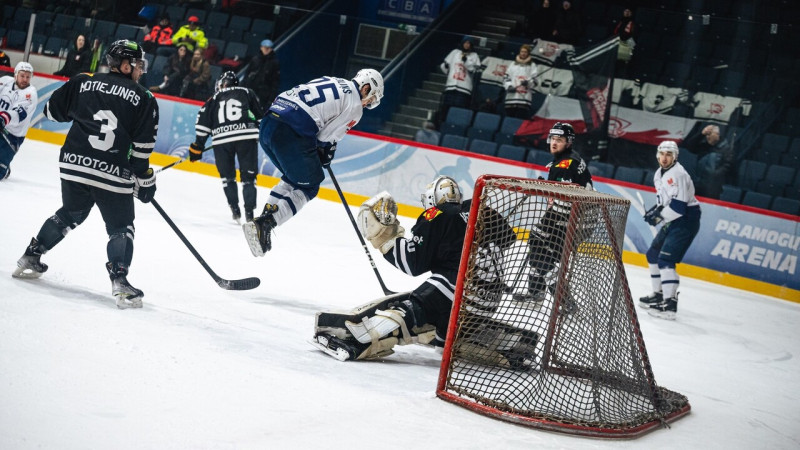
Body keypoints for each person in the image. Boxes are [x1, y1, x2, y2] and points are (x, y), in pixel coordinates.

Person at [12, 40, 159, 310]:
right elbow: (141, 153)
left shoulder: (83, 80)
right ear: (125, 66)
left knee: (71, 213)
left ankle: (31, 255)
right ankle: (120, 281)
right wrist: (145, 180)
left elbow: (52, 112)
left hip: (73, 164)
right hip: (112, 172)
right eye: (137, 65)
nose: (140, 70)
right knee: (121, 227)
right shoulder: (145, 98)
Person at [311, 176, 520, 362]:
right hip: (489, 300)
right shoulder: (483, 212)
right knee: (438, 311)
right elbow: (508, 238)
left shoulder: (435, 214)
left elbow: (413, 264)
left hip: (455, 287)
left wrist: (384, 237)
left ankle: (361, 342)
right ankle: (475, 340)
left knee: (410, 308)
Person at [242, 69, 385, 256]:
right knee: (311, 184)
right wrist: (326, 153)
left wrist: (321, 150)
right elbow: (325, 137)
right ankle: (265, 223)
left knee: (295, 177)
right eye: (371, 99)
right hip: (290, 132)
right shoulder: (355, 106)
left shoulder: (334, 80)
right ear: (366, 88)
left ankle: (263, 220)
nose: (367, 104)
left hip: (269, 125)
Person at [513, 122, 593, 307]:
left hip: (573, 219)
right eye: (553, 139)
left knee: (537, 242)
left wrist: (544, 193)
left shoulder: (564, 165)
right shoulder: (570, 159)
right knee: (543, 251)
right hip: (578, 218)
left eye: (560, 140)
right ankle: (536, 292)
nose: (554, 143)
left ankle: (563, 301)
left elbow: (565, 200)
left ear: (569, 142)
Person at [639, 141, 701, 320]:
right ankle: (658, 294)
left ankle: (670, 304)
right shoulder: (659, 173)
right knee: (652, 255)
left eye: (669, 154)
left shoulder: (679, 174)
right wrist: (655, 211)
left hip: (685, 221)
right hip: (674, 220)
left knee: (666, 260)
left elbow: (679, 207)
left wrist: (658, 217)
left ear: (675, 156)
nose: (664, 158)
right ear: (657, 155)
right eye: (662, 154)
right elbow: (665, 201)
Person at [189, 71, 262, 223]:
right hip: (246, 136)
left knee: (228, 178)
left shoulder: (214, 98)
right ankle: (249, 213)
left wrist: (198, 146)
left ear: (222, 84)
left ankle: (235, 210)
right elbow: (261, 117)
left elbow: (203, 124)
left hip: (222, 140)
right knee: (249, 179)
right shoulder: (247, 92)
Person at [0, 62, 38, 180]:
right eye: (22, 76)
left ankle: (5, 170)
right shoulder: (5, 81)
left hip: (12, 136)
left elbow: (18, 113)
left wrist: (2, 119)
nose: (25, 79)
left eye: (28, 77)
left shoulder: (30, 94)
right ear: (15, 74)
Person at [436, 36, 481, 126]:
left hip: (464, 89)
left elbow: (475, 71)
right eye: (465, 42)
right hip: (451, 87)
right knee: (446, 109)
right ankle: (442, 126)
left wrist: (466, 61)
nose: (467, 45)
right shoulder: (455, 52)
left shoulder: (474, 56)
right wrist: (449, 74)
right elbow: (444, 66)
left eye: (469, 43)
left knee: (458, 112)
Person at [683, 124, 733, 199]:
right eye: (706, 135)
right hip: (697, 184)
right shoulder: (704, 146)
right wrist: (701, 134)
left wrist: (713, 175)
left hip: (712, 189)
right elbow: (690, 146)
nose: (707, 137)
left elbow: (728, 167)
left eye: (710, 134)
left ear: (717, 135)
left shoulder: (725, 149)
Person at [503, 44, 538, 119]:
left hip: (524, 99)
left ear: (528, 53)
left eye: (525, 52)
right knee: (509, 119)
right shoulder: (513, 64)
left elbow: (535, 81)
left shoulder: (532, 65)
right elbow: (506, 77)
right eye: (522, 51)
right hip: (511, 97)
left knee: (519, 119)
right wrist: (509, 86)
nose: (523, 53)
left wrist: (528, 83)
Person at [244, 39, 280, 108]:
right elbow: (247, 75)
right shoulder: (255, 59)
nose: (266, 50)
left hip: (264, 93)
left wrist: (271, 99)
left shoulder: (274, 63)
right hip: (252, 89)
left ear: (271, 49)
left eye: (268, 48)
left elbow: (275, 82)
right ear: (261, 48)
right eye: (265, 48)